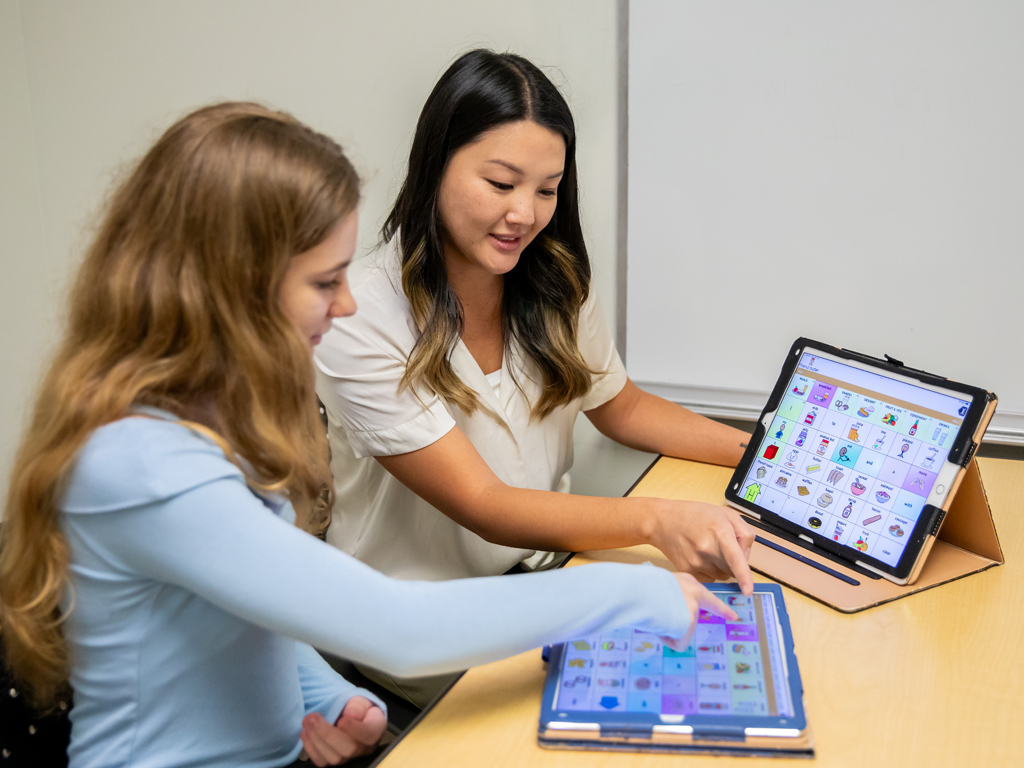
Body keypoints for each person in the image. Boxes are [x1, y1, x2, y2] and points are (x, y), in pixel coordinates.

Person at [0, 102, 738, 768]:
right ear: (231, 289)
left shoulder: (204, 422)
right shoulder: (143, 464)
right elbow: (400, 628)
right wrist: (640, 593)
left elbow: (245, 602)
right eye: (325, 282)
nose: (348, 304)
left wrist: (327, 698)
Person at [314, 50, 756, 705]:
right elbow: (485, 505)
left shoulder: (552, 281)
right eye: (501, 183)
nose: (525, 213)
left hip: (542, 587)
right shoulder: (359, 311)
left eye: (547, 189)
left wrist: (762, 461)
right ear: (435, 165)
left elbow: (622, 407)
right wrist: (658, 519)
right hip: (416, 639)